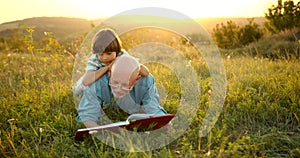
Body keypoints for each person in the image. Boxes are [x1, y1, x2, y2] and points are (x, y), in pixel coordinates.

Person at [77, 55, 168, 128]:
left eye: (125, 85)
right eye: (115, 83)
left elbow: (153, 107)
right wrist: (97, 129)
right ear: (110, 74)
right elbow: (87, 114)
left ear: (136, 79)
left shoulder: (146, 81)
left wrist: (163, 121)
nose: (119, 89)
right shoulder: (97, 83)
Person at [74, 28, 149, 96]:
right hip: (94, 79)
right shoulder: (95, 59)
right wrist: (107, 68)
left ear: (116, 50)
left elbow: (146, 72)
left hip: (114, 82)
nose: (105, 58)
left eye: (109, 53)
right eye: (101, 54)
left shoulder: (121, 55)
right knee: (79, 89)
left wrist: (132, 65)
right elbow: (86, 81)